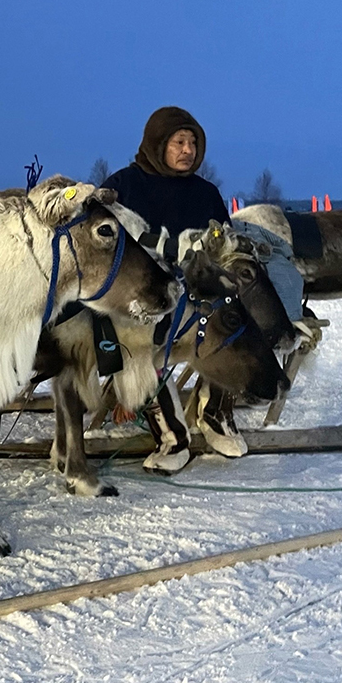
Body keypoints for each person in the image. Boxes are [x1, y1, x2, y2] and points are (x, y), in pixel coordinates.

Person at [101, 106, 242, 472]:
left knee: (235, 319)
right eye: (179, 142)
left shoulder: (206, 193)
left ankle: (214, 415)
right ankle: (173, 439)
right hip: (142, 298)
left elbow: (224, 247)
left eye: (193, 142)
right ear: (157, 144)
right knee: (137, 341)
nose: (188, 150)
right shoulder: (123, 186)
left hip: (196, 296)